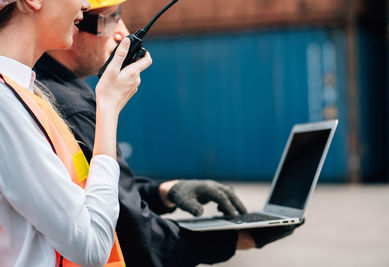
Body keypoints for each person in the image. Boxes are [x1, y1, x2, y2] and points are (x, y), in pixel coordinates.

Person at [34, 0, 302, 266]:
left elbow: (95, 189)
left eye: (121, 16)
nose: (122, 31)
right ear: (74, 21)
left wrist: (165, 191)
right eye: (109, 19)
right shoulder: (72, 108)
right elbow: (136, 237)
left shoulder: (41, 87)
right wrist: (239, 238)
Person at [0, 0, 153, 266]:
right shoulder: (5, 104)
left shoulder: (20, 93)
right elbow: (92, 247)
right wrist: (108, 107)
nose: (85, 3)